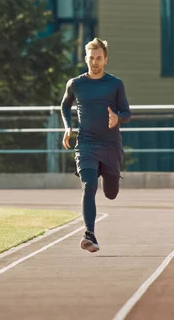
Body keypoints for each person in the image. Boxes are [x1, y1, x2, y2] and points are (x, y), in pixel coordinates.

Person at [60, 38, 131, 253]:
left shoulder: (115, 84)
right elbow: (65, 105)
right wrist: (68, 127)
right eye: (91, 58)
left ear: (105, 59)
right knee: (88, 186)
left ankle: (108, 173)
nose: (95, 62)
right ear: (85, 59)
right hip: (86, 144)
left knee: (110, 193)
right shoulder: (76, 84)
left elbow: (127, 113)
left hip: (110, 146)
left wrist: (117, 118)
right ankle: (89, 234)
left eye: (99, 58)